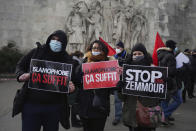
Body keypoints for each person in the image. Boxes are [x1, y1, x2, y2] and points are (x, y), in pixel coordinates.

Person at [15, 30, 80, 131]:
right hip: (31, 105)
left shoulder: (67, 60)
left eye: (59, 41)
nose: (55, 42)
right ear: (49, 39)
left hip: (53, 108)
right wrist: (21, 75)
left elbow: (72, 81)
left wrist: (71, 88)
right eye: (53, 39)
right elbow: (20, 65)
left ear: (64, 44)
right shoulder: (36, 52)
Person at [118, 43, 159, 131]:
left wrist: (154, 91)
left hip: (148, 114)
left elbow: (162, 97)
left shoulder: (154, 71)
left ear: (144, 55)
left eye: (139, 54)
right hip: (132, 116)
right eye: (134, 54)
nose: (137, 56)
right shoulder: (127, 72)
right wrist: (120, 88)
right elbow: (121, 98)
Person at [78, 40, 111, 131]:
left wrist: (118, 75)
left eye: (99, 48)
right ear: (91, 49)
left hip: (100, 108)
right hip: (85, 106)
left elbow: (113, 88)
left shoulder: (109, 65)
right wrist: (85, 71)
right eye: (94, 48)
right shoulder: (83, 63)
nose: (96, 50)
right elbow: (77, 81)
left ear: (103, 50)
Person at [157, 40, 183, 125]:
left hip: (163, 81)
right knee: (178, 100)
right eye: (175, 46)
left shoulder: (161, 54)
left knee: (165, 100)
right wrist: (179, 69)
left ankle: (165, 117)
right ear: (172, 47)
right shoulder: (170, 56)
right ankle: (165, 114)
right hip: (170, 82)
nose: (176, 48)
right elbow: (172, 72)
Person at [68, 51, 84, 128]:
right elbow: (73, 75)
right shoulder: (75, 62)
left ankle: (75, 121)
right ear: (79, 56)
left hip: (73, 85)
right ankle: (74, 122)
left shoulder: (73, 60)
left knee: (74, 105)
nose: (82, 58)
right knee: (74, 105)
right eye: (82, 56)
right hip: (74, 86)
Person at [112, 41, 127, 125]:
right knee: (117, 100)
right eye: (116, 47)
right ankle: (117, 117)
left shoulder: (127, 56)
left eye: (119, 47)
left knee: (127, 101)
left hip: (126, 82)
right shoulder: (114, 57)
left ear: (123, 48)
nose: (117, 49)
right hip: (117, 82)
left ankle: (126, 116)